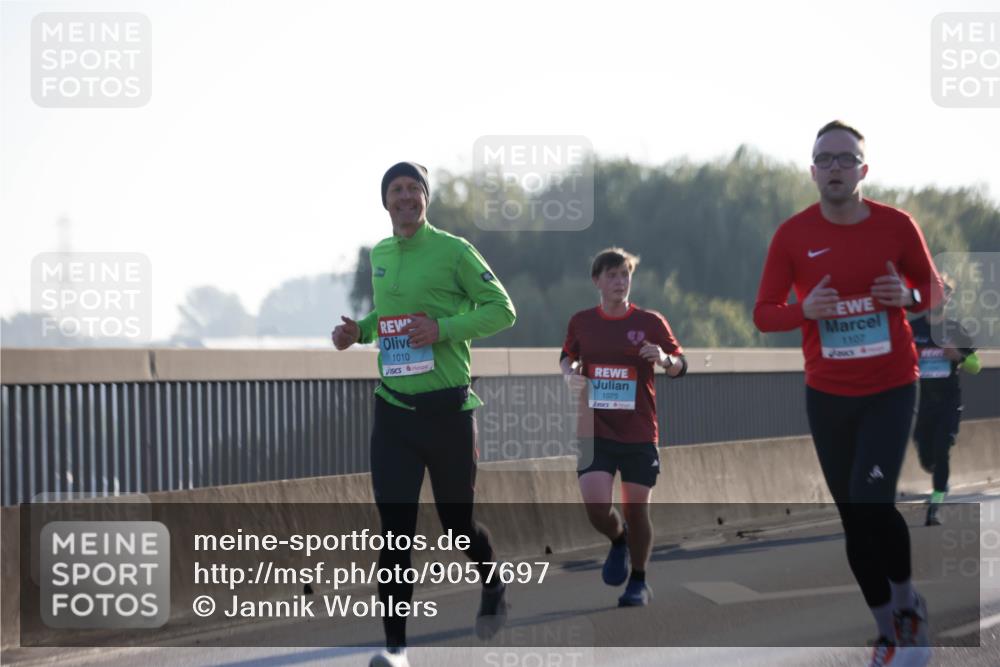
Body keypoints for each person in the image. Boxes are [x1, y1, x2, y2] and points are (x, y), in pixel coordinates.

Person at [753, 121, 943, 667]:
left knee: (870, 498)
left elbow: (932, 290)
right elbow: (764, 314)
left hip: (890, 387)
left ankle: (907, 609)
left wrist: (906, 295)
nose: (834, 167)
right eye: (825, 159)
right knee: (854, 518)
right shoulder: (792, 235)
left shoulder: (896, 226)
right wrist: (804, 310)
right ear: (813, 171)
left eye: (845, 158)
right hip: (828, 393)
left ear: (863, 169)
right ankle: (886, 631)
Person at [332, 161, 516, 667]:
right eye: (397, 189)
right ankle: (396, 650)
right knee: (395, 533)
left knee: (458, 525)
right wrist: (359, 332)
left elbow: (502, 309)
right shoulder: (382, 253)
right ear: (385, 201)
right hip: (394, 413)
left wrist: (442, 329)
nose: (406, 196)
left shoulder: (454, 250)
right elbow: (388, 319)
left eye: (414, 188)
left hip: (448, 412)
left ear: (426, 198)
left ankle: (492, 581)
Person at [560, 247, 686, 607]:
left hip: (638, 431)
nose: (620, 281)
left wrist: (664, 359)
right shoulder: (582, 322)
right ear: (597, 281)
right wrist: (569, 374)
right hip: (594, 429)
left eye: (625, 274)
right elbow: (567, 356)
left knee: (636, 510)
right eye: (612, 275)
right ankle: (619, 540)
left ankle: (639, 581)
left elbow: (680, 365)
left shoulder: (650, 322)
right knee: (597, 506)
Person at [910, 276, 981, 526]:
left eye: (944, 293)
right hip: (924, 403)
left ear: (949, 298)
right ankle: (939, 474)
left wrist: (958, 356)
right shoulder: (913, 329)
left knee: (942, 451)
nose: (938, 298)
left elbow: (976, 366)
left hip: (949, 402)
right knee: (926, 456)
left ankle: (936, 504)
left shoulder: (955, 330)